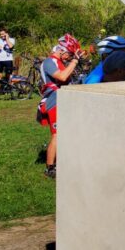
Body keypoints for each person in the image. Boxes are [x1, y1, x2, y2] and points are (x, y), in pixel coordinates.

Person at [37, 34, 88, 179]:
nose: (69, 57)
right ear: (61, 50)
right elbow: (62, 77)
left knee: (66, 132)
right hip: (53, 102)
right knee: (57, 135)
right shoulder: (49, 62)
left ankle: (64, 160)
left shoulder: (59, 61)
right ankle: (50, 168)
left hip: (62, 100)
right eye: (69, 54)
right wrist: (75, 61)